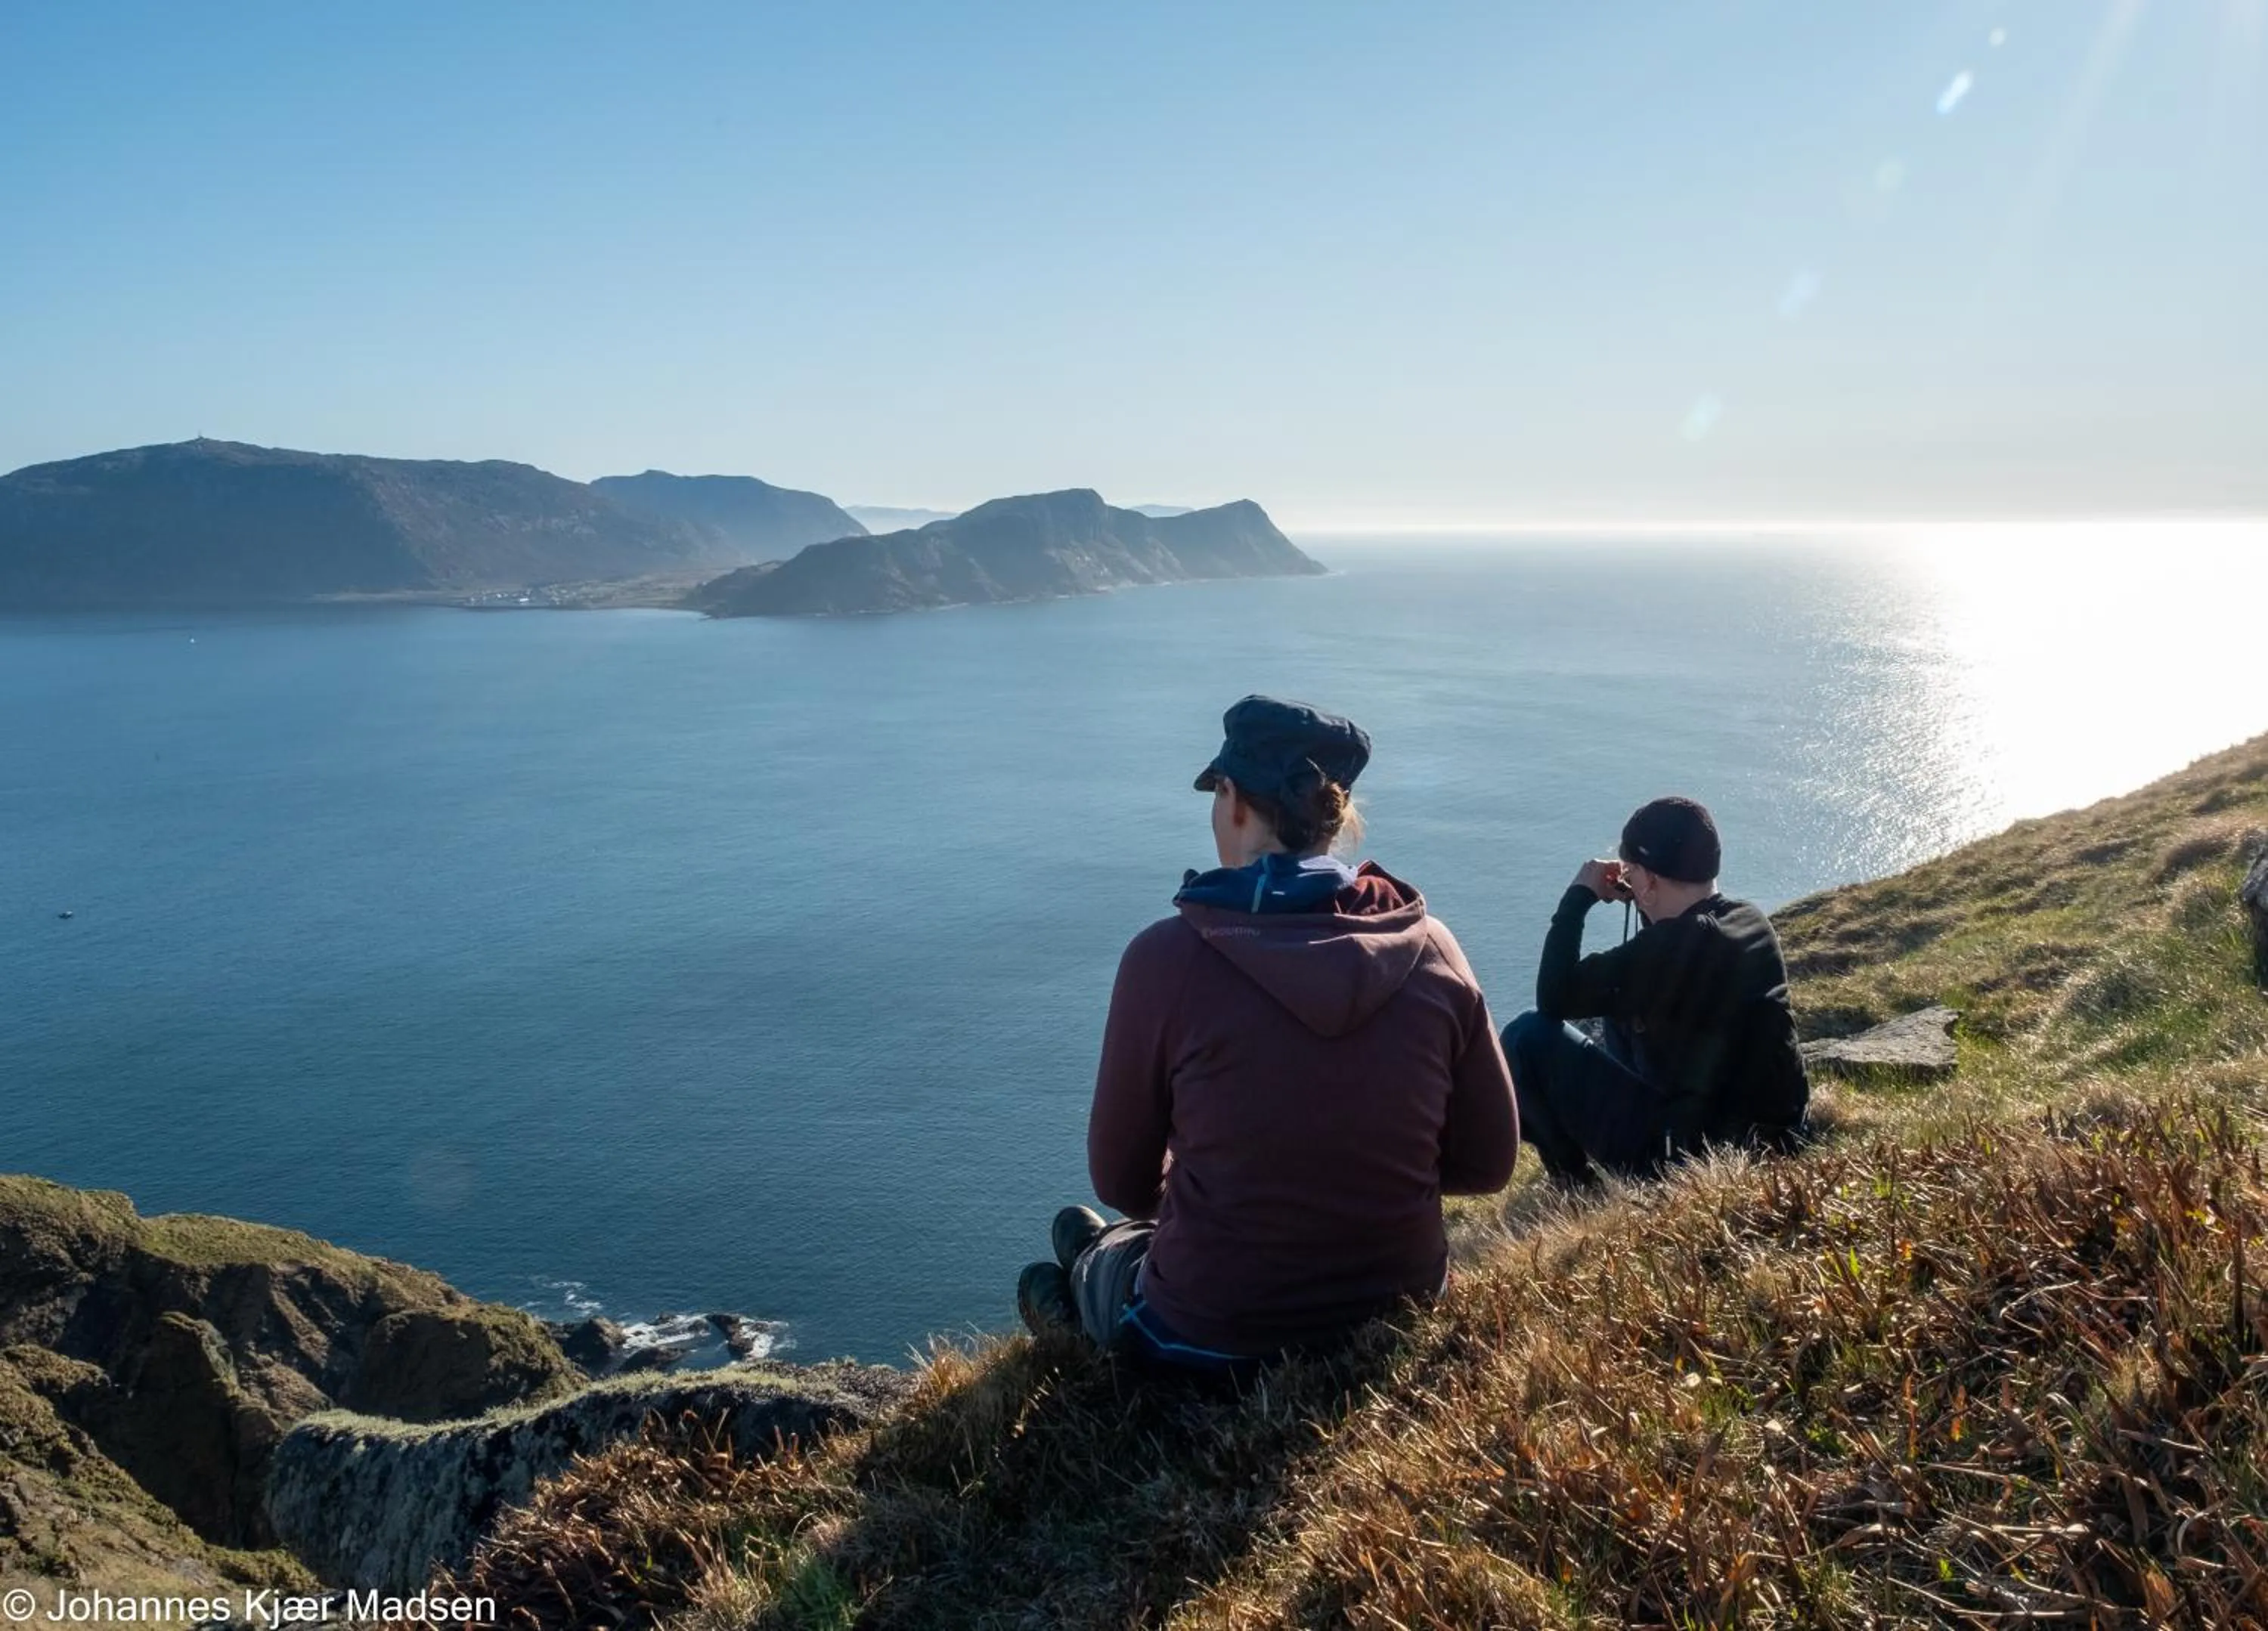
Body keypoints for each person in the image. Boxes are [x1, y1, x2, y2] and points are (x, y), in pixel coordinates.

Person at [1017, 695, 1520, 1375]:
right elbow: (1490, 1166)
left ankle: (1080, 1290)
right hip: (1400, 1304)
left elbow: (1122, 1178)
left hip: (1207, 1336)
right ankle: (1095, 1262)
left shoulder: (1167, 958)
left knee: (1075, 1257)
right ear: (1334, 816)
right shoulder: (1432, 947)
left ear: (1233, 800)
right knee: (1093, 1240)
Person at [1501, 796, 1808, 1187]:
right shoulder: (1751, 921)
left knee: (1526, 1036)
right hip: (1778, 1136)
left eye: (1632, 873)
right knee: (1621, 1018)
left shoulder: (1671, 949)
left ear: (1647, 881)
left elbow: (1555, 996)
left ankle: (1574, 1184)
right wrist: (1648, 900)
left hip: (1696, 1161)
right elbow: (1663, 980)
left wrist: (1579, 897)